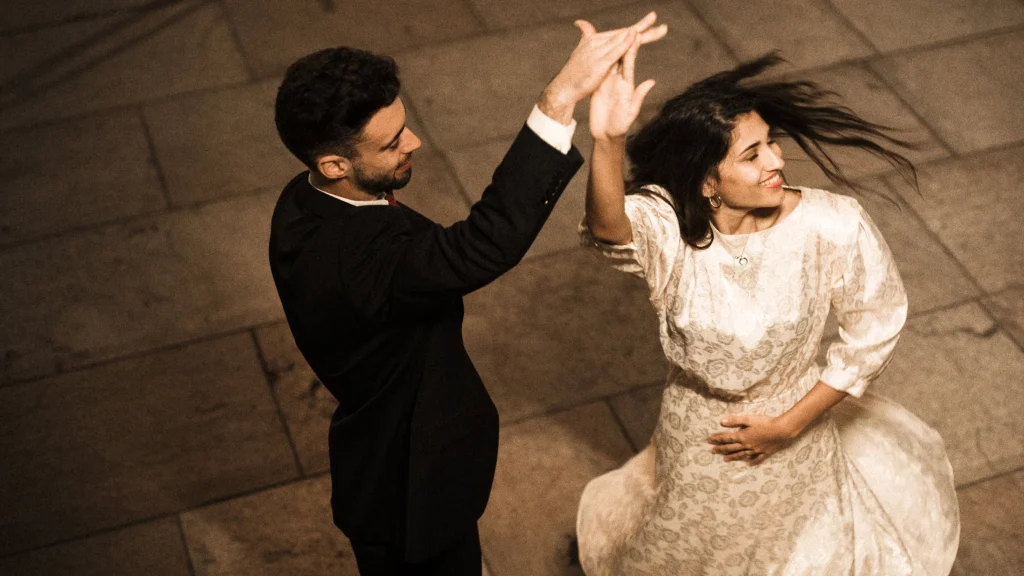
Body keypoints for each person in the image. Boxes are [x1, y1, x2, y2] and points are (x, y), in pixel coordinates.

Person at [268, 13, 667, 575]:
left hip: (383, 455)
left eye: (404, 125)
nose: (413, 141)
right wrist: (558, 101)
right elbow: (481, 244)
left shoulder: (303, 201)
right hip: (413, 490)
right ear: (334, 164)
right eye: (391, 143)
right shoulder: (355, 262)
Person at [574, 50, 960, 575]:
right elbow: (610, 229)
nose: (776, 161)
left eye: (771, 143)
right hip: (696, 436)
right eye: (751, 155)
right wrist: (607, 141)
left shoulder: (832, 225)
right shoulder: (671, 229)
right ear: (707, 183)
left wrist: (786, 427)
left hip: (793, 431)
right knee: (696, 548)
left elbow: (874, 329)